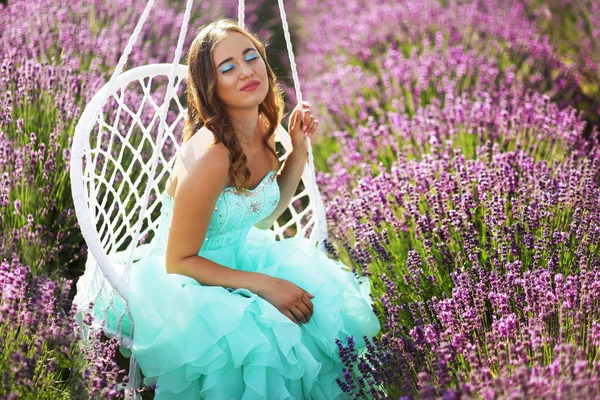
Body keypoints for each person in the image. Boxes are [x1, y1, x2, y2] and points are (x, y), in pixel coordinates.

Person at [126, 18, 381, 399]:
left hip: (241, 258)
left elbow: (264, 213)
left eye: (252, 57)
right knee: (266, 346)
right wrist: (266, 285)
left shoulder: (262, 127)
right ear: (212, 88)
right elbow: (179, 261)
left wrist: (297, 152)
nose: (246, 71)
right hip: (189, 283)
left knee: (321, 314)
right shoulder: (211, 156)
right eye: (228, 68)